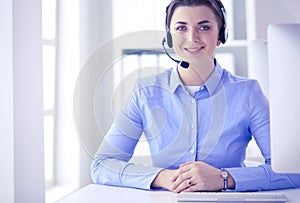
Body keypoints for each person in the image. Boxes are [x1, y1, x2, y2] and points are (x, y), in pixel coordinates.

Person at [91, 0, 300, 193]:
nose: (192, 38)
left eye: (204, 27)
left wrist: (223, 178)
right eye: (181, 28)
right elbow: (103, 164)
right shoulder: (145, 92)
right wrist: (162, 177)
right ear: (170, 37)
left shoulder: (247, 92)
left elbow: (293, 170)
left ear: (221, 36)